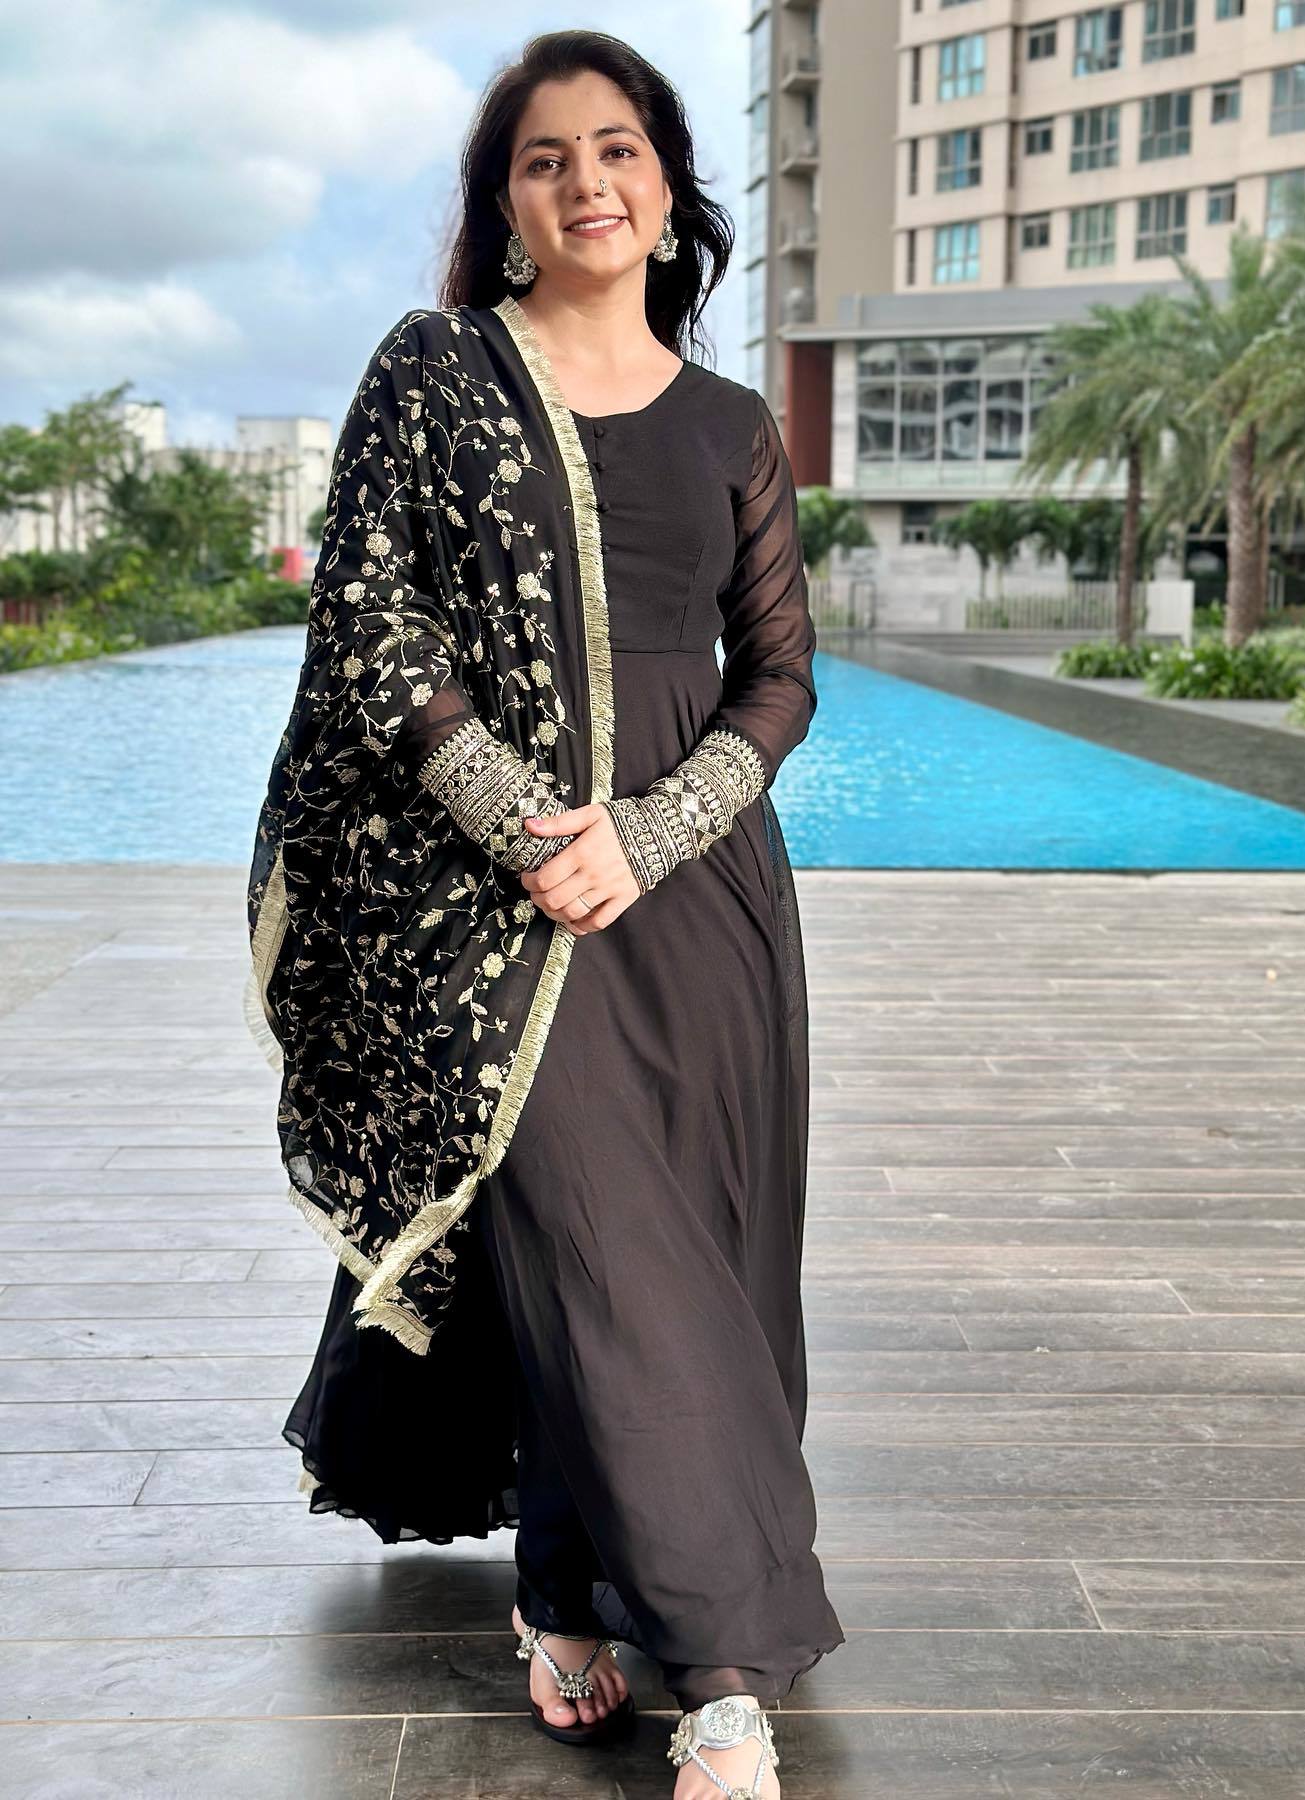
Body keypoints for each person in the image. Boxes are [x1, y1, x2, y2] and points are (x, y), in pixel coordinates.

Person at [245, 28, 843, 1798]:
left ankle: (567, 1590)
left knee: (701, 1261)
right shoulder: (436, 373)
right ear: (502, 202)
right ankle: (726, 1668)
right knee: (601, 1246)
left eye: (618, 149)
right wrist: (527, 830)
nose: (587, 181)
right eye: (544, 157)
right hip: (494, 907)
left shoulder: (733, 426)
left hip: (701, 898)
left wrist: (646, 836)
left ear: (669, 186)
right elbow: (372, 622)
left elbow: (781, 679)